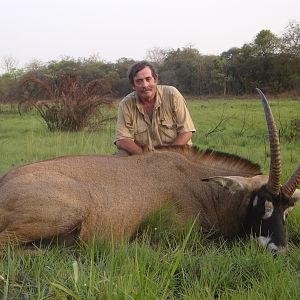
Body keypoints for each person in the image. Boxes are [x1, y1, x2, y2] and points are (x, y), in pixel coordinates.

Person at [114, 61, 196, 156]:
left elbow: (186, 132)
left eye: (148, 79)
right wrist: (146, 158)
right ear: (133, 85)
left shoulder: (172, 94)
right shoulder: (126, 104)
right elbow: (122, 140)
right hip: (144, 156)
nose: (145, 85)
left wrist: (168, 156)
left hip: (176, 153)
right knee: (120, 155)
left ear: (155, 80)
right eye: (139, 81)